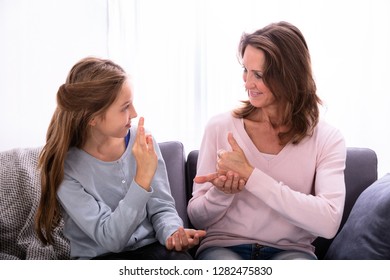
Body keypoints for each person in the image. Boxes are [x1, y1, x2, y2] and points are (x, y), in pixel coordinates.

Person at [187, 21, 346, 260]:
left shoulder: (327, 138)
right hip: (223, 247)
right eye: (245, 70)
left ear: (289, 77)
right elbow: (196, 217)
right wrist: (221, 194)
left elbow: (329, 222)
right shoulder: (220, 127)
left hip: (292, 253)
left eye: (258, 75)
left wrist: (251, 176)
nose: (247, 83)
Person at [35, 57, 205, 260]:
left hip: (153, 250)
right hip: (101, 258)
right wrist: (141, 178)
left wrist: (172, 233)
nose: (134, 113)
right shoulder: (66, 168)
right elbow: (111, 239)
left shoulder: (141, 141)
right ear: (93, 118)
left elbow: (161, 207)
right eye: (125, 107)